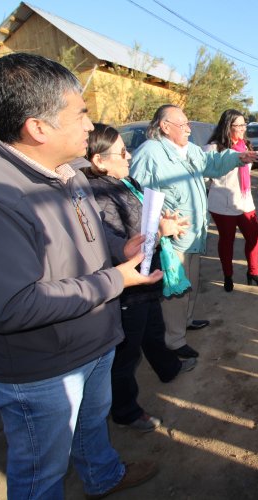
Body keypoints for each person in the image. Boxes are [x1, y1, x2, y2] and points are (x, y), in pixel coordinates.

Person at [0, 53, 160, 498]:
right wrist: (116, 281)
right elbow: (10, 306)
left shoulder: (67, 172)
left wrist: (123, 250)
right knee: (42, 470)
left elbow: (90, 239)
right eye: (80, 114)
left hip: (92, 342)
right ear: (37, 128)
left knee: (92, 426)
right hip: (37, 369)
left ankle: (102, 476)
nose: (89, 125)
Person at [84, 123, 198, 433]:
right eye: (122, 152)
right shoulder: (98, 193)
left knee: (153, 328)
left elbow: (143, 213)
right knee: (126, 352)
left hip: (147, 275)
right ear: (99, 161)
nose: (129, 155)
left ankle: (168, 367)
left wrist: (164, 222)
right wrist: (160, 232)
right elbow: (120, 242)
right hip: (128, 283)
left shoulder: (123, 180)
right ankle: (125, 411)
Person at [130, 105, 258, 358]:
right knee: (175, 290)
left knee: (190, 283)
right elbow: (136, 197)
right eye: (183, 124)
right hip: (172, 239)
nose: (189, 129)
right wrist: (157, 228)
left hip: (193, 235)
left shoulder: (187, 149)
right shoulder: (150, 154)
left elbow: (208, 162)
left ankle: (185, 322)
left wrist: (235, 158)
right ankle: (174, 341)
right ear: (165, 127)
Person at [204, 109, 258, 292]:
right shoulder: (213, 148)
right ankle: (228, 276)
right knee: (227, 241)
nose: (242, 128)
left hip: (245, 202)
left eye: (244, 124)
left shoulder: (244, 145)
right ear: (227, 126)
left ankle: (253, 272)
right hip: (223, 204)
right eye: (238, 125)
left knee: (254, 236)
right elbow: (205, 177)